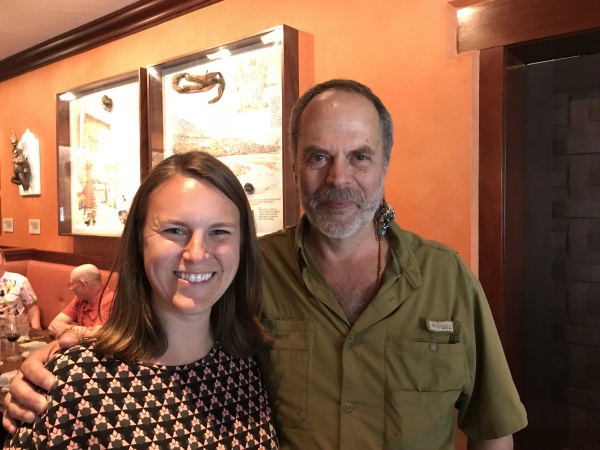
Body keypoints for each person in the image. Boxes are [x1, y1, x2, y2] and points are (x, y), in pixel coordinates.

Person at [4, 79, 526, 449]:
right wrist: (60, 359)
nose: (338, 177)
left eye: (360, 156)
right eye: (318, 156)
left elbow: (490, 425)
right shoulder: (250, 267)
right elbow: (173, 313)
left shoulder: (446, 276)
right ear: (295, 165)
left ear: (385, 162)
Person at [4, 151, 278, 448]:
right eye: (175, 230)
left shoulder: (249, 365)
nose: (197, 253)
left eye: (219, 231)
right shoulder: (75, 381)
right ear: (139, 240)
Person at [47, 264, 114, 338]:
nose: (71, 288)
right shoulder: (80, 298)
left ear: (83, 284)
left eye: (72, 284)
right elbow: (53, 326)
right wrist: (73, 328)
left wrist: (65, 329)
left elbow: (97, 336)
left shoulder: (110, 300)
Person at [0, 248, 40, 329]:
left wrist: (37, 331)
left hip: (14, 332)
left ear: (4, 261)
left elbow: (32, 307)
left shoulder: (20, 281)